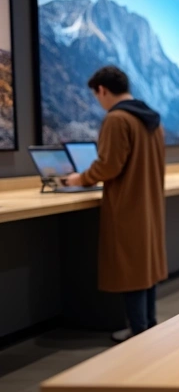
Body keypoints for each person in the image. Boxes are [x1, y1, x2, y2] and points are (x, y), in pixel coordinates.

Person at [64, 66, 167, 341]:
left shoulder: (117, 120)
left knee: (131, 267)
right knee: (144, 266)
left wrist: (79, 179)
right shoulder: (152, 120)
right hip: (149, 203)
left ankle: (137, 331)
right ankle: (146, 324)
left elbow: (109, 166)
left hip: (127, 204)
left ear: (103, 90)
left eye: (97, 95)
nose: (99, 101)